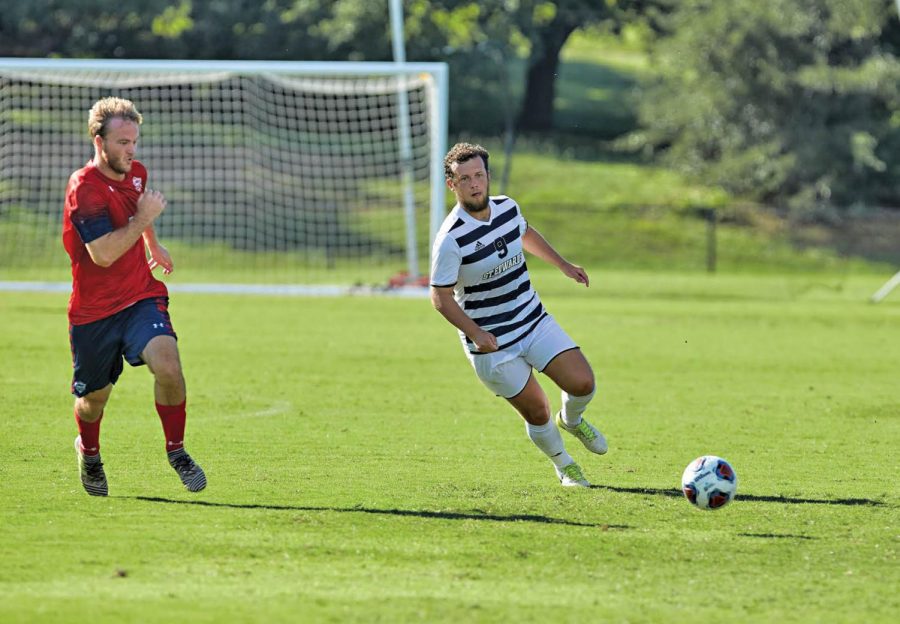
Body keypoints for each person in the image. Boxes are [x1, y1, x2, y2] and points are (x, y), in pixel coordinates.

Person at [430, 143, 607, 487]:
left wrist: (564, 265)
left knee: (583, 383)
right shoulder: (450, 239)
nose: (474, 184)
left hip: (532, 319)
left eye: (479, 175)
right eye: (464, 178)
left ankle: (571, 420)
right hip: (492, 344)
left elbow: (524, 233)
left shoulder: (508, 208)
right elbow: (439, 297)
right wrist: (476, 334)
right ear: (452, 185)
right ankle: (564, 464)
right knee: (537, 410)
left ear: (487, 176)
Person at [63, 96, 206, 496]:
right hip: (93, 312)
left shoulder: (136, 173)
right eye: (123, 142)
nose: (131, 151)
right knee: (94, 400)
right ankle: (89, 451)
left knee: (169, 366)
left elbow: (135, 210)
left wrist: (152, 243)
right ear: (99, 141)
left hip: (141, 296)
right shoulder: (84, 188)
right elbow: (104, 254)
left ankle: (176, 451)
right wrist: (145, 219)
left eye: (134, 141)